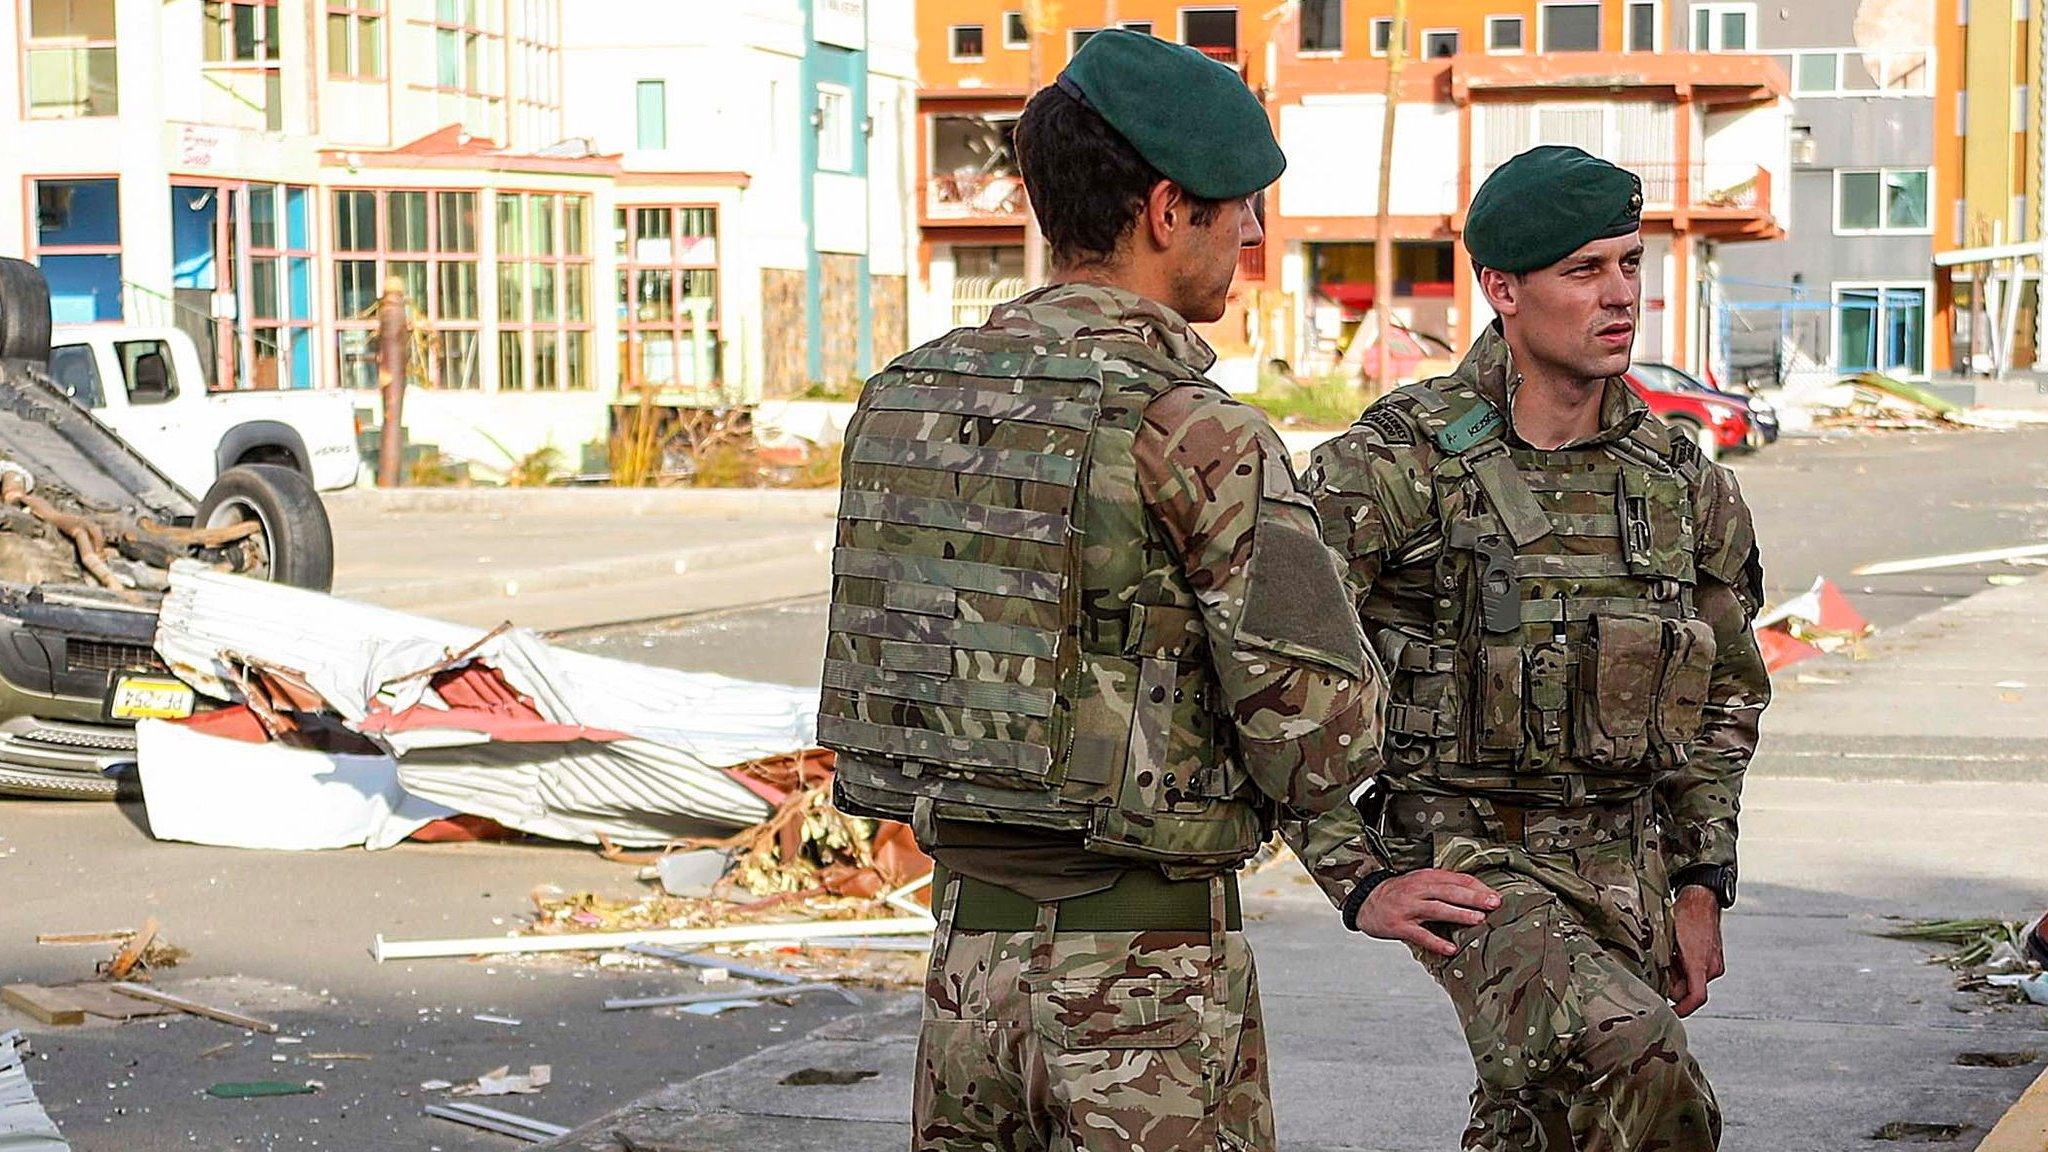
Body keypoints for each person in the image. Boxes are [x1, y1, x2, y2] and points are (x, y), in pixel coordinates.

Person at [818, 29, 1387, 1152]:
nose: (1256, 234)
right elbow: (1321, 739)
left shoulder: (900, 401)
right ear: (1168, 211)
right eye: (1240, 208)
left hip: (963, 981)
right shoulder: (1193, 428)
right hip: (1144, 990)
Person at [1302, 145, 1772, 1152]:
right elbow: (1263, 663)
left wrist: (1698, 881)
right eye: (1582, 270)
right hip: (1470, 865)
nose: (1618, 296)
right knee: (1639, 1069)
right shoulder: (1397, 463)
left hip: (1624, 866)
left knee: (1551, 1127)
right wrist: (1354, 875)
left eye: (1628, 263)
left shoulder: (1678, 483)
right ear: (1501, 289)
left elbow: (1724, 699)